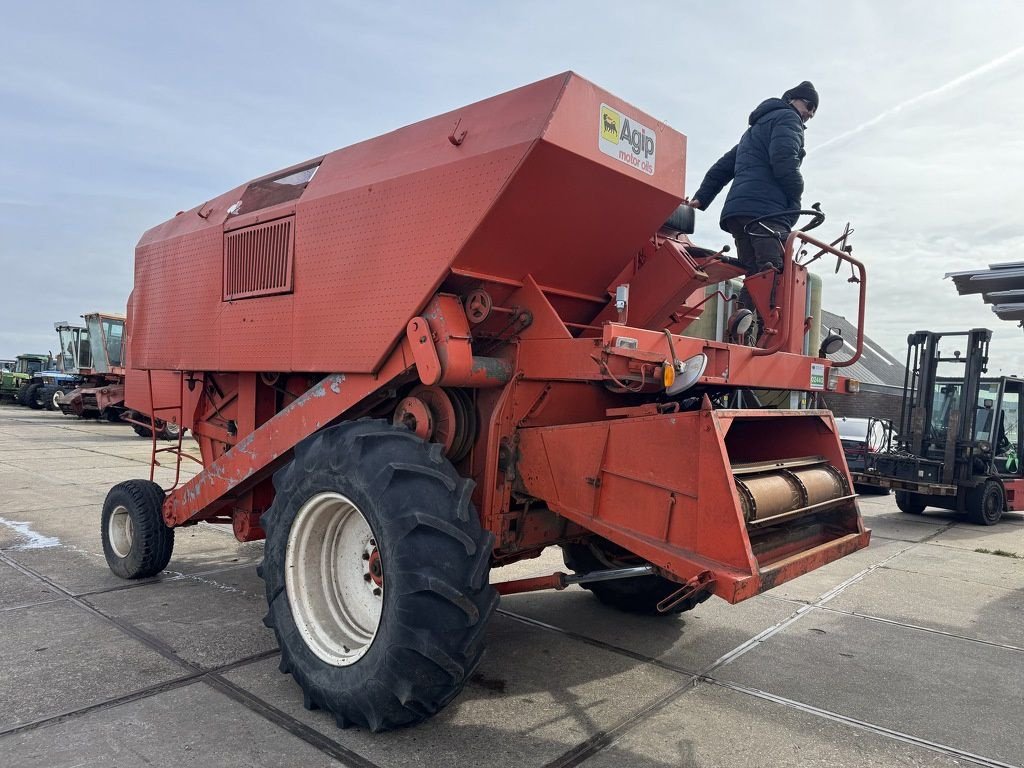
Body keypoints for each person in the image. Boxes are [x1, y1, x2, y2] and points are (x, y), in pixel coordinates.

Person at [685, 81, 818, 278]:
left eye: (814, 111)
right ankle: (761, 309)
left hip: (740, 214)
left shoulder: (753, 133)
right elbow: (784, 160)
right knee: (774, 277)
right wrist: (796, 196)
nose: (810, 114)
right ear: (792, 99)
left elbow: (722, 167)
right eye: (809, 106)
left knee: (754, 275)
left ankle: (745, 310)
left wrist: (701, 197)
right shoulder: (789, 118)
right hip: (766, 213)